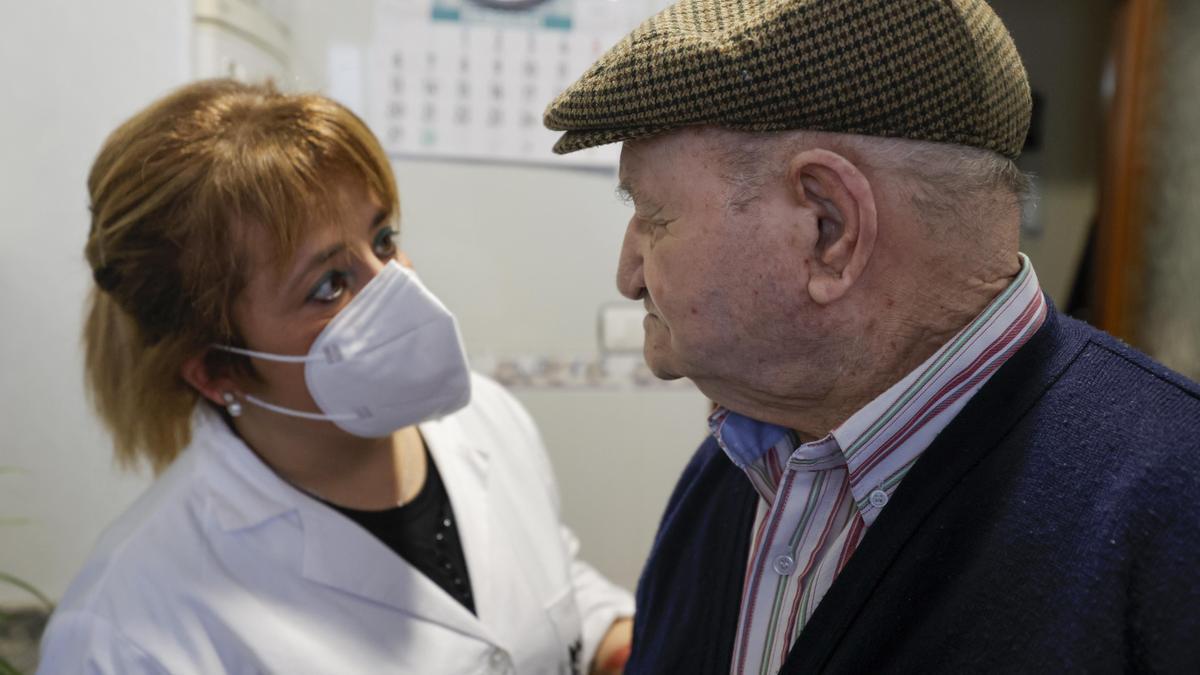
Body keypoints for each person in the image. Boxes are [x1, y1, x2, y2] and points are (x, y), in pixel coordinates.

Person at [544, 0, 1200, 673]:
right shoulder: (737, 466)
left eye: (654, 217)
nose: (628, 275)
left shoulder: (1174, 514)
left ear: (829, 228)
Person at [39, 79, 633, 674]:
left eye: (383, 239)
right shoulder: (123, 631)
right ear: (216, 371)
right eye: (329, 285)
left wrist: (613, 641)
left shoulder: (488, 418)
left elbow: (547, 586)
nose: (398, 288)